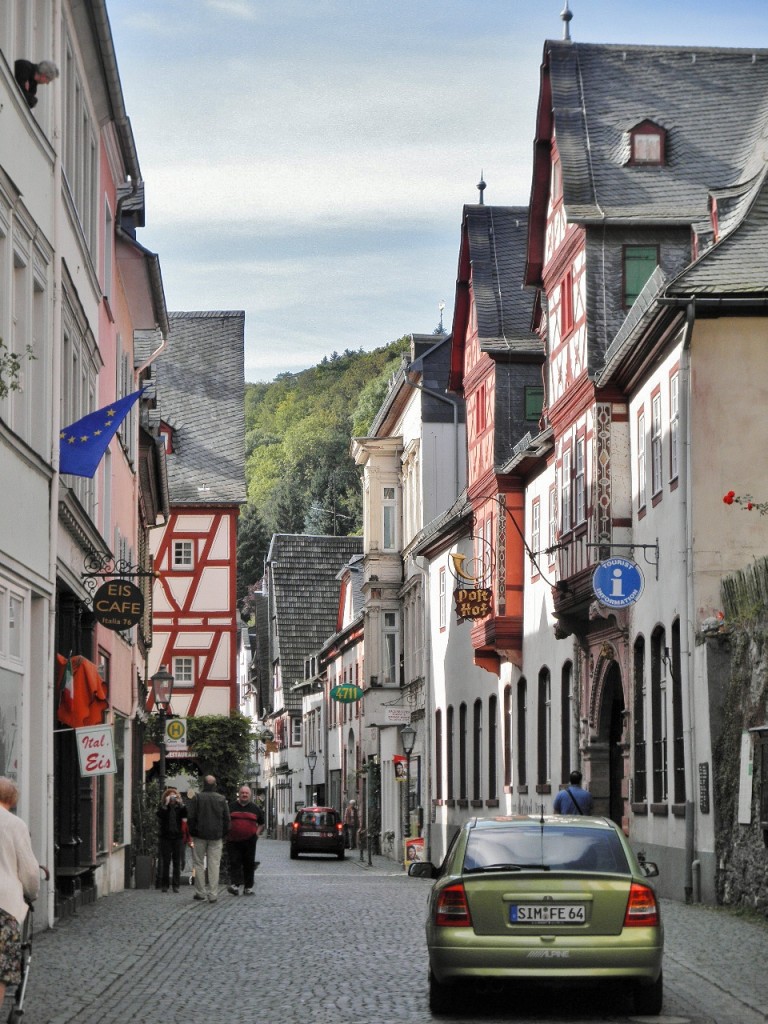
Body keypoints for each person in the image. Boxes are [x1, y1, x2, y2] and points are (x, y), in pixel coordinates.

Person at [0, 778, 40, 1006]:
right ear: (12, 800)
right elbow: (30, 872)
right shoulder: (15, 825)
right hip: (4, 904)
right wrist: (32, 894)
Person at [187, 775, 230, 903]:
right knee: (214, 865)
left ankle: (200, 892)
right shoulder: (221, 799)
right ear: (215, 785)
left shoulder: (197, 798)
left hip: (200, 836)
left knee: (199, 863)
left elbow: (191, 817)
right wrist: (223, 834)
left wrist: (193, 832)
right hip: (216, 837)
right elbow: (227, 819)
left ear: (203, 785)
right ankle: (213, 894)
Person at [226, 785, 264, 896]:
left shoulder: (255, 808)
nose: (244, 795)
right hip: (233, 840)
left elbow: (261, 824)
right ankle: (235, 885)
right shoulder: (231, 807)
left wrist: (256, 834)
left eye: (246, 793)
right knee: (234, 862)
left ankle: (248, 887)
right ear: (239, 794)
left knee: (249, 863)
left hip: (249, 840)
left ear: (250, 795)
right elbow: (225, 820)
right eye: (242, 793)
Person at [156, 787, 189, 893]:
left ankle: (176, 885)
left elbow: (186, 814)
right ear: (166, 797)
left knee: (176, 861)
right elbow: (160, 815)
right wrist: (166, 804)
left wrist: (181, 803)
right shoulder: (163, 807)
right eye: (170, 796)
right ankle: (165, 885)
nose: (172, 799)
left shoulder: (180, 807)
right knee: (166, 861)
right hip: (165, 837)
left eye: (174, 796)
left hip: (177, 837)